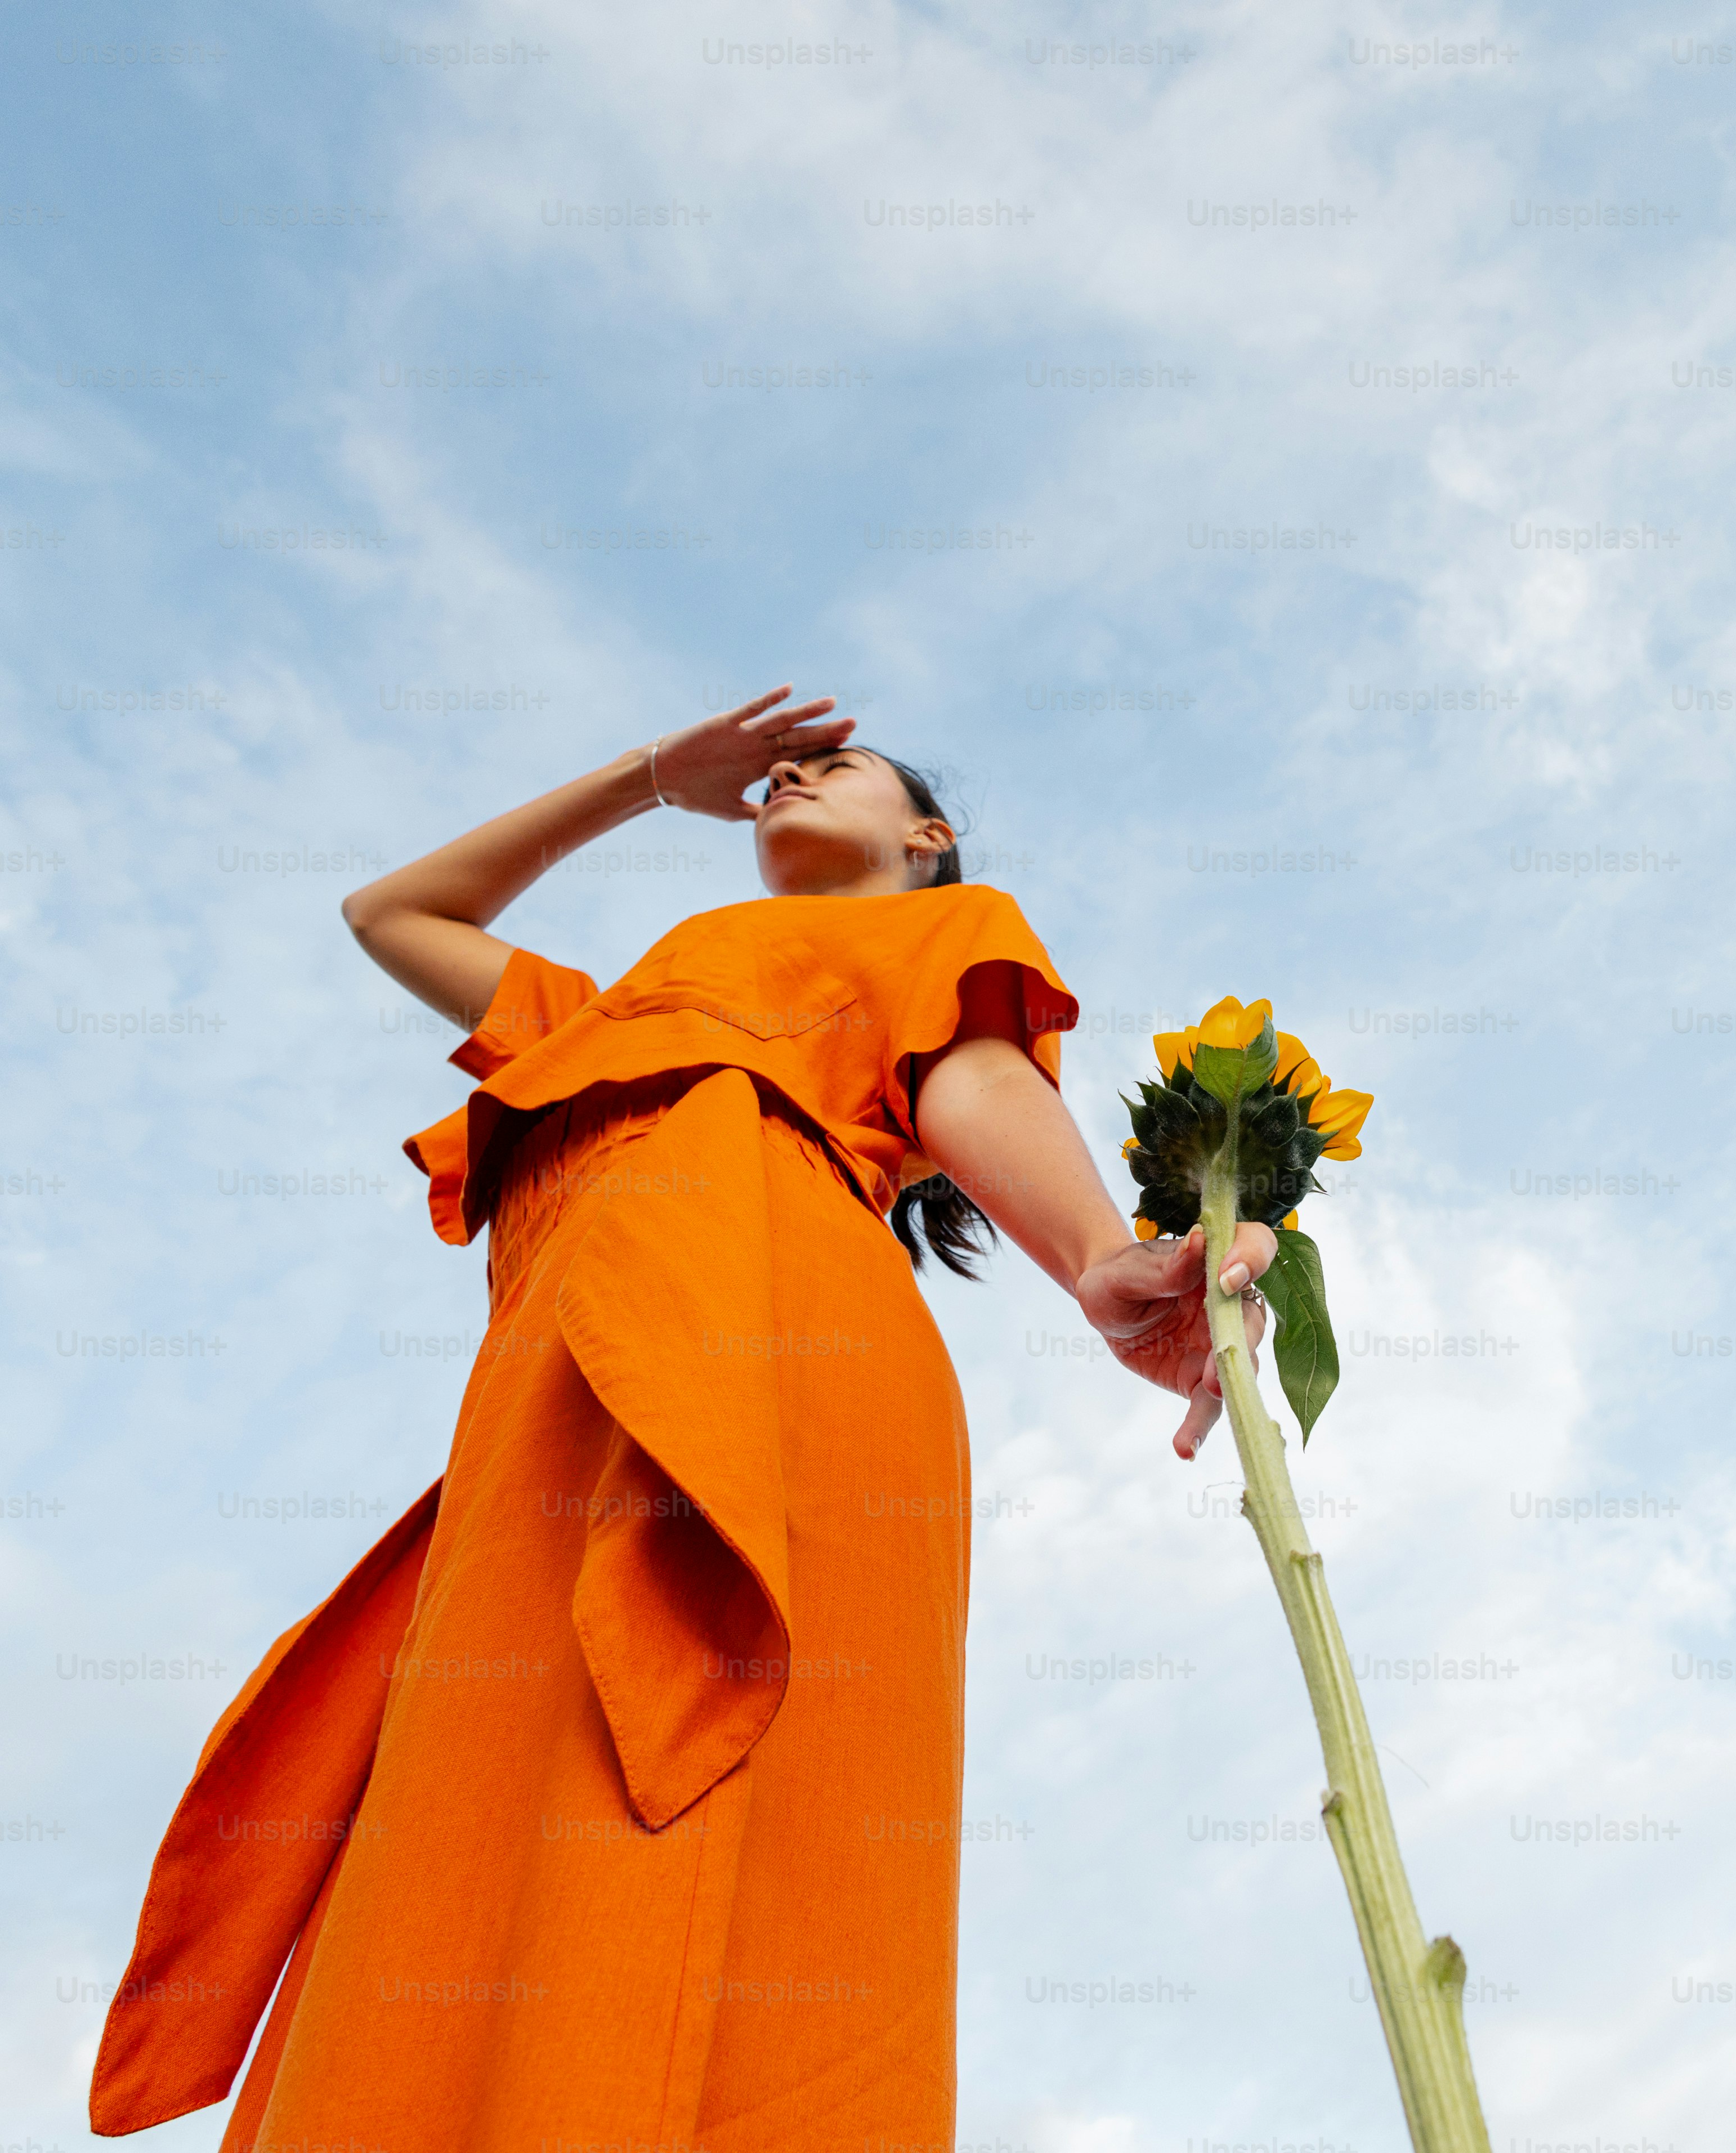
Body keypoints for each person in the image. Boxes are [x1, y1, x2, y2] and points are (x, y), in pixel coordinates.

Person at [87, 688, 1274, 2150]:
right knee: (465, 1840)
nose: (789, 776)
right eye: (780, 769)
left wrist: (1100, 1256)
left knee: (725, 1833)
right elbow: (393, 912)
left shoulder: (935, 931)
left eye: (832, 765)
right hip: (552, 1387)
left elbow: (965, 1069)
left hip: (781, 1321)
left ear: (929, 835)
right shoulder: (616, 1015)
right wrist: (653, 780)